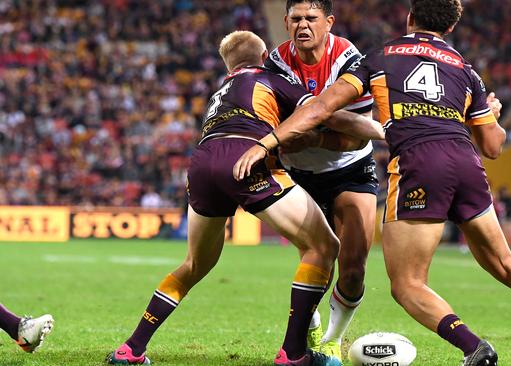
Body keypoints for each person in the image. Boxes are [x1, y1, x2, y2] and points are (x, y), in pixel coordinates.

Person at [233, 1, 511, 365]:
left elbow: (319, 107)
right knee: (506, 263)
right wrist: (492, 114)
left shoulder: (378, 58)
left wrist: (266, 143)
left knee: (407, 284)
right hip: (466, 161)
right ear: (450, 27)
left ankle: (473, 346)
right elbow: (493, 146)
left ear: (410, 17)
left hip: (419, 163)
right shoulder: (465, 69)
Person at [106, 31, 383, 366]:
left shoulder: (219, 93)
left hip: (202, 165)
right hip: (245, 157)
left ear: (227, 65)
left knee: (194, 265)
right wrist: (384, 130)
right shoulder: (270, 78)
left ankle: (131, 349)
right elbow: (326, 113)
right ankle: (294, 354)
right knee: (324, 247)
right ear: (264, 54)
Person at [263, 1, 378, 359]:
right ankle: (310, 327)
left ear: (328, 22)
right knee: (317, 261)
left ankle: (332, 338)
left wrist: (312, 136)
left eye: (311, 18)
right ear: (285, 22)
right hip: (299, 174)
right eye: (295, 19)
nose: (303, 25)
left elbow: (359, 137)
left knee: (355, 265)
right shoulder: (275, 64)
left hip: (350, 168)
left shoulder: (350, 61)